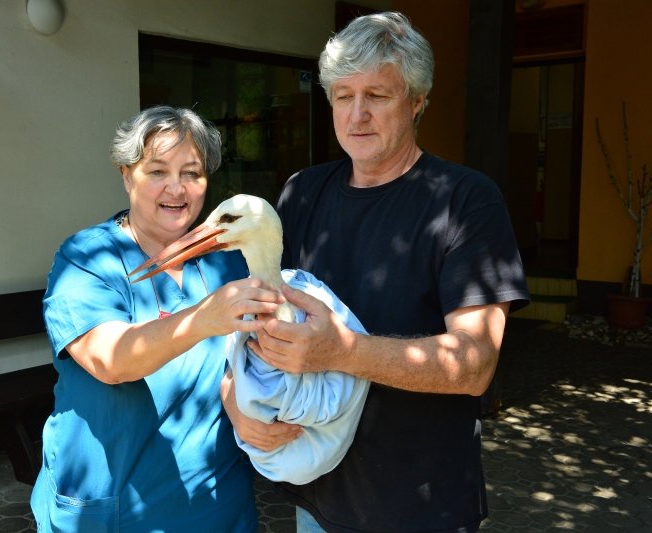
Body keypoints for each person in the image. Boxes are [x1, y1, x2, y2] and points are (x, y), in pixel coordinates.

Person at [221, 12, 530, 533]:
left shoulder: (465, 202)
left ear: (417, 101)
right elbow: (254, 309)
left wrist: (344, 352)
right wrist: (234, 399)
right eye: (343, 96)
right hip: (317, 490)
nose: (357, 115)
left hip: (420, 503)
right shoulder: (302, 193)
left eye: (378, 96)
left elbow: (475, 363)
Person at [30, 105, 300, 532]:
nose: (177, 188)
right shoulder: (86, 260)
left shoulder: (229, 262)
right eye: (157, 171)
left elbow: (239, 362)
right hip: (114, 510)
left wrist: (240, 406)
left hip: (217, 506)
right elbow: (111, 362)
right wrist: (203, 317)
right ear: (125, 175)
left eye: (192, 173)